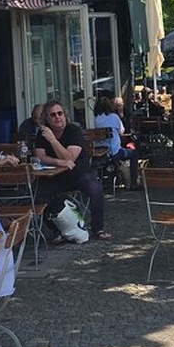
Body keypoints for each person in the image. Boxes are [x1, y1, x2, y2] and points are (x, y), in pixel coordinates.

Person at [33, 100, 111, 241]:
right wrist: (59, 162)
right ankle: (56, 231)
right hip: (55, 176)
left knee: (96, 190)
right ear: (47, 119)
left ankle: (98, 228)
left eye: (60, 113)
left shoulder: (73, 130)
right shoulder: (43, 134)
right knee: (38, 196)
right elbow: (41, 157)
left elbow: (70, 157)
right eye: (53, 115)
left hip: (78, 174)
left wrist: (53, 140)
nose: (57, 117)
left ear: (65, 115)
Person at [94, 96, 139, 189]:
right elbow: (122, 131)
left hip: (99, 152)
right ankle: (134, 182)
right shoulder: (114, 117)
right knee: (134, 153)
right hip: (114, 151)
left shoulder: (95, 119)